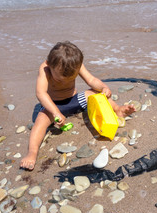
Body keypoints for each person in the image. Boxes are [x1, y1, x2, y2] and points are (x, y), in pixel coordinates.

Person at [20, 41, 136, 170]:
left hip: (74, 100)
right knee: (40, 120)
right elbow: (41, 93)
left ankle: (117, 109)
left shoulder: (76, 65)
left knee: (94, 93)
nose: (65, 82)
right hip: (54, 106)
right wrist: (55, 112)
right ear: (49, 63)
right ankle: (32, 152)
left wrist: (103, 87)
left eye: (71, 79)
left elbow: (91, 80)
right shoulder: (45, 69)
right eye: (59, 80)